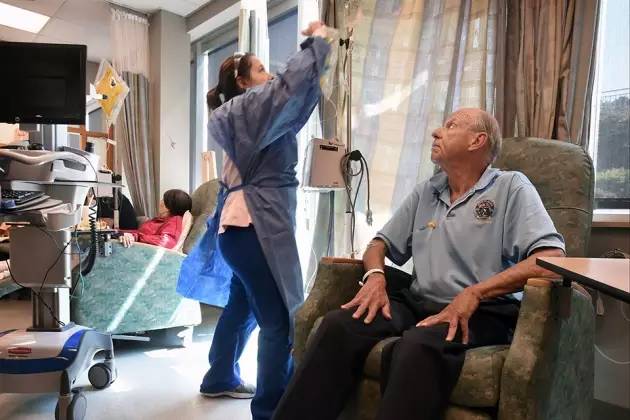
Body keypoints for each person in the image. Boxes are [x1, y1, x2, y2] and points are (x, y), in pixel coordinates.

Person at [273, 108, 567, 420]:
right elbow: (378, 245)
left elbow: (551, 259)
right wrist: (376, 277)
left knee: (416, 345)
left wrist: (475, 293)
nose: (436, 132)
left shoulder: (510, 187)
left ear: (477, 141)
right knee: (339, 325)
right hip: (419, 302)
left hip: (483, 311)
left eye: (451, 126)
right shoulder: (428, 190)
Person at [176, 21, 333, 420]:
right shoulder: (249, 110)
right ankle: (271, 410)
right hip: (253, 228)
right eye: (261, 70)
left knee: (241, 305)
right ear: (243, 83)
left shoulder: (245, 118)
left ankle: (219, 377)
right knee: (277, 321)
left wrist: (314, 62)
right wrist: (316, 43)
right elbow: (289, 89)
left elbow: (295, 100)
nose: (270, 75)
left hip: (238, 230)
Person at [119, 189, 191, 249]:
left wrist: (137, 237)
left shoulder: (175, 220)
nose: (160, 202)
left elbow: (165, 242)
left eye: (163, 200)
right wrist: (121, 233)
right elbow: (139, 233)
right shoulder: (160, 220)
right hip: (134, 246)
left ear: (167, 207)